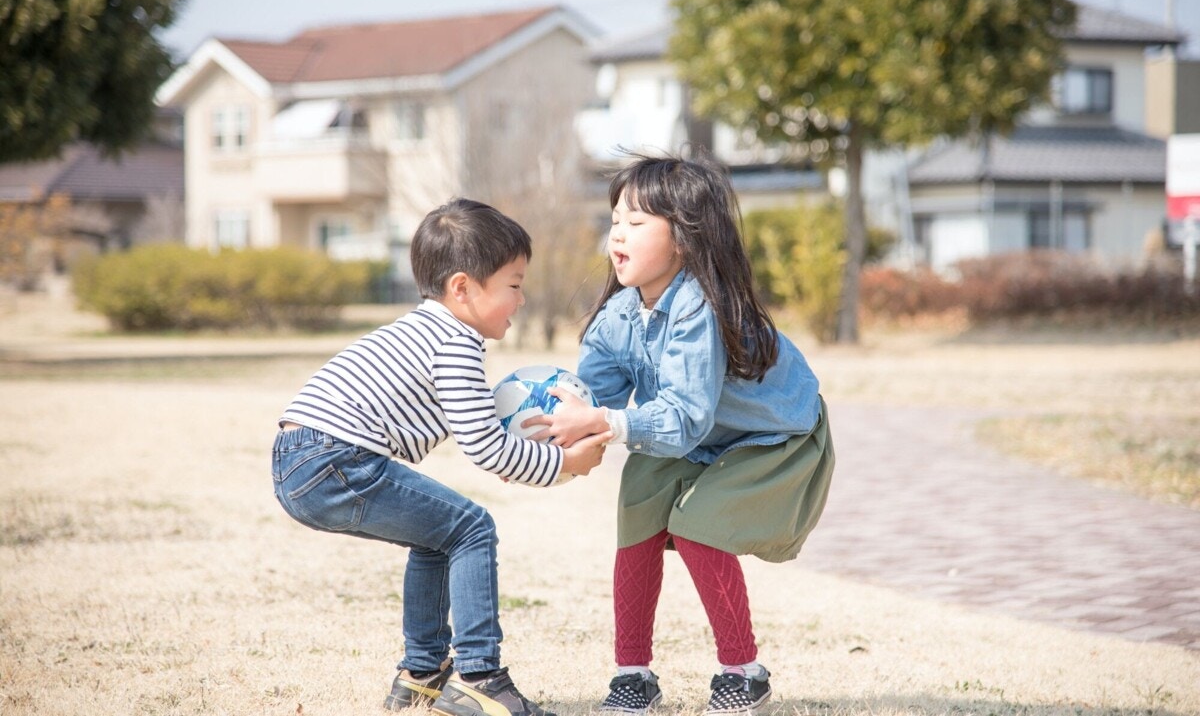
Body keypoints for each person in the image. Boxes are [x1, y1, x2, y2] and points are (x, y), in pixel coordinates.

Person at [271, 198, 611, 716]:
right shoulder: (456, 341)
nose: (521, 300)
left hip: (302, 458)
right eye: (514, 285)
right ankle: (480, 675)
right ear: (462, 288)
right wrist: (568, 464)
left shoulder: (425, 328)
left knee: (437, 537)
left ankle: (423, 672)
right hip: (332, 458)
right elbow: (487, 449)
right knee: (471, 527)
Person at [534, 153, 835, 715]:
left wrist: (603, 424)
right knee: (638, 517)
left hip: (773, 438)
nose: (618, 235)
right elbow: (594, 400)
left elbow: (683, 417)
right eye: (615, 220)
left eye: (637, 222)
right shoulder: (618, 316)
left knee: (699, 525)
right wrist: (550, 434)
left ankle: (744, 673)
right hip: (691, 437)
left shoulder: (698, 304)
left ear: (684, 241)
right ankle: (633, 675)